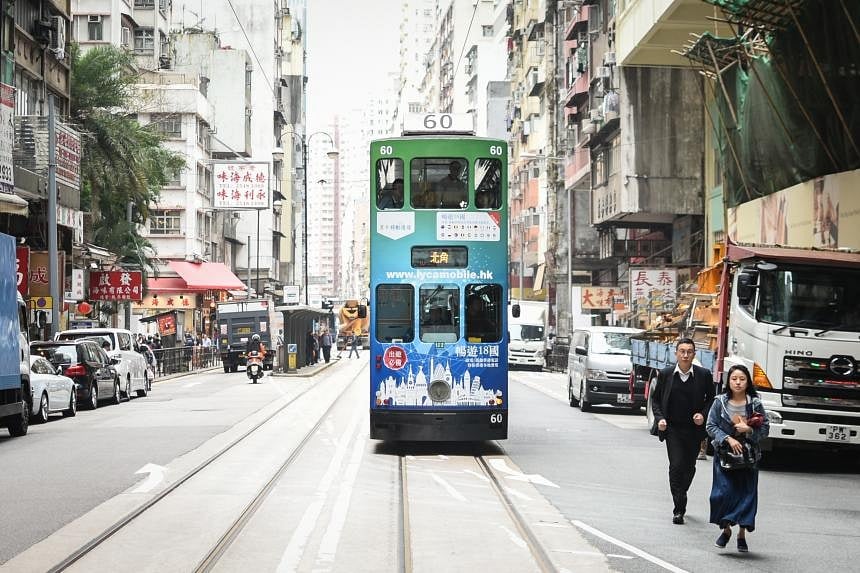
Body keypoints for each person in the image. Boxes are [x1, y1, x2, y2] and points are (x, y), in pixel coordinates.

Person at [650, 337, 716, 525]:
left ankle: (681, 491)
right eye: (682, 351)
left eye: (689, 352)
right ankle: (679, 508)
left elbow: (712, 399)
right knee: (676, 465)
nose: (685, 355)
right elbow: (655, 400)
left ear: (694, 354)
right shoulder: (666, 374)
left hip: (694, 430)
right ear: (676, 353)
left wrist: (703, 414)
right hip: (673, 429)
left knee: (689, 468)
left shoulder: (703, 375)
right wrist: (660, 418)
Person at [706, 364, 769, 553]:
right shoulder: (720, 402)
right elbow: (711, 426)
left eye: (742, 379)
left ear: (748, 381)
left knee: (746, 495)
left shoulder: (755, 404)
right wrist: (727, 438)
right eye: (734, 379)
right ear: (728, 381)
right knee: (720, 495)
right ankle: (726, 530)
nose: (738, 382)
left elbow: (765, 429)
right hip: (725, 457)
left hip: (749, 458)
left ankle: (742, 534)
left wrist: (749, 430)